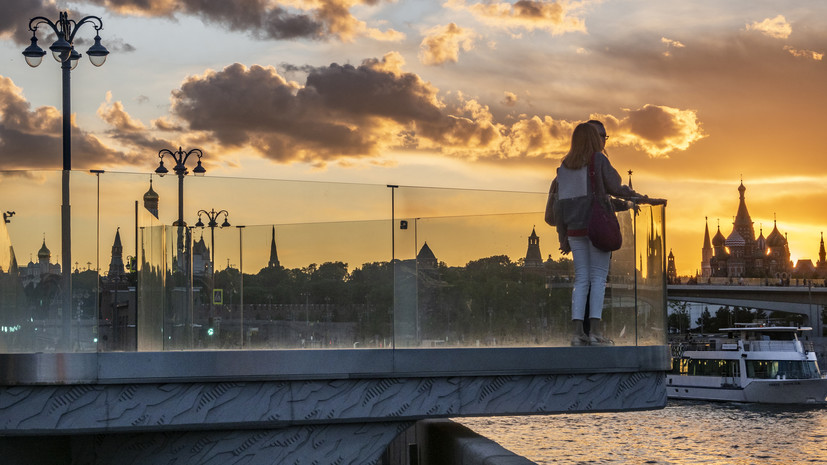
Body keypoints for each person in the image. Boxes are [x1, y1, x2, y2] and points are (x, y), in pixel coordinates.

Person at [546, 122, 664, 346]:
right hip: (596, 228)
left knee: (581, 280)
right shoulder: (598, 160)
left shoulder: (566, 166)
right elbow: (615, 187)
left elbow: (562, 205)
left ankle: (577, 333)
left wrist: (563, 236)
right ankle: (596, 333)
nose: (603, 141)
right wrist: (638, 197)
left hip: (574, 231)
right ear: (593, 139)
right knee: (598, 280)